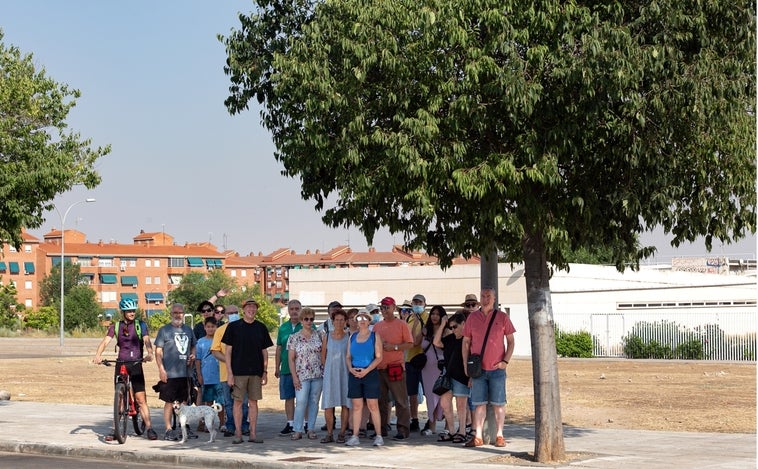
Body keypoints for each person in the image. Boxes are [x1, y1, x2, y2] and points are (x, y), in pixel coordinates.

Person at [93, 298, 158, 441]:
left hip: (136, 364)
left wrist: (150, 353)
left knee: (141, 399)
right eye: (129, 311)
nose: (132, 313)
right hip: (121, 363)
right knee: (119, 398)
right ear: (123, 312)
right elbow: (105, 342)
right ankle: (115, 429)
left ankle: (149, 428)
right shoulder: (115, 326)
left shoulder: (141, 325)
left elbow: (147, 340)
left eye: (133, 310)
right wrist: (98, 355)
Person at [462, 287, 516, 448]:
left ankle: (499, 435)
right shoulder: (472, 318)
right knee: (479, 403)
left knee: (499, 403)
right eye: (483, 296)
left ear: (494, 298)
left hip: (497, 369)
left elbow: (511, 341)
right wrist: (466, 365)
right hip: (478, 369)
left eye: (488, 296)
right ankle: (478, 435)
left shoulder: (502, 317)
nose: (485, 299)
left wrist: (505, 362)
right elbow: (465, 342)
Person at [222, 298, 273, 444]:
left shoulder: (261, 327)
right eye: (248, 307)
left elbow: (265, 351)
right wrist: (230, 373)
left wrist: (265, 371)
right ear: (243, 309)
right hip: (238, 372)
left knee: (253, 402)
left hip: (256, 372)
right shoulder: (233, 327)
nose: (251, 309)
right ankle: (238, 433)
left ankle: (253, 433)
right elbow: (228, 352)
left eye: (254, 307)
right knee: (237, 402)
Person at [372, 296, 413, 441]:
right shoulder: (377, 326)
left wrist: (394, 347)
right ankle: (381, 429)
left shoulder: (401, 324)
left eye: (386, 307)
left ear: (394, 308)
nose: (384, 310)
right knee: (380, 401)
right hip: (379, 368)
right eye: (382, 307)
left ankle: (403, 429)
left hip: (395, 367)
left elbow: (409, 344)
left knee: (400, 400)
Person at [154, 303, 197, 441]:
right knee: (169, 402)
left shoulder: (188, 330)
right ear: (171, 314)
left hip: (185, 373)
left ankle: (184, 428)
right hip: (170, 373)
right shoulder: (164, 330)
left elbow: (193, 346)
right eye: (175, 313)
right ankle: (168, 429)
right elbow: (158, 351)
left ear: (184, 314)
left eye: (180, 312)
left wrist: (192, 355)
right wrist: (161, 369)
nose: (178, 315)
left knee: (184, 402)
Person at [345, 309, 384, 447]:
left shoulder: (375, 336)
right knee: (356, 406)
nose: (362, 320)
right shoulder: (352, 337)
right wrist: (350, 368)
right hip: (355, 374)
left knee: (373, 405)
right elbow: (348, 356)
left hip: (370, 373)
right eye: (359, 318)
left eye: (364, 318)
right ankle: (355, 435)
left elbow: (379, 357)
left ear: (369, 321)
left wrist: (366, 370)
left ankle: (378, 435)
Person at [210, 305, 249, 436]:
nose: (233, 314)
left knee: (243, 401)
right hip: (225, 373)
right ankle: (230, 425)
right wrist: (229, 360)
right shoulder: (220, 330)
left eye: (236, 312)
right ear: (225, 315)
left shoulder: (246, 328)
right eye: (230, 313)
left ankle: (244, 425)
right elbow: (215, 351)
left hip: (243, 372)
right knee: (228, 402)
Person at [287, 307, 324, 440]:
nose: (309, 321)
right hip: (302, 374)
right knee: (301, 401)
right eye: (306, 319)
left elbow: (324, 352)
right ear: (301, 320)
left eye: (311, 319)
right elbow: (291, 359)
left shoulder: (320, 335)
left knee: (314, 401)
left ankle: (311, 428)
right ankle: (297, 429)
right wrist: (294, 377)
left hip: (318, 374)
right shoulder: (294, 338)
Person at [433, 311, 469, 444]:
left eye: (455, 327)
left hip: (462, 377)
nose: (453, 330)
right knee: (445, 404)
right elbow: (436, 342)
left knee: (461, 406)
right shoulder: (449, 339)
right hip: (448, 377)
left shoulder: (468, 339)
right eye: (451, 327)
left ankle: (463, 432)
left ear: (463, 324)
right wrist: (443, 325)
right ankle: (452, 431)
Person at [320, 309, 351, 443]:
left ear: (345, 322)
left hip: (345, 373)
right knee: (328, 404)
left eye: (341, 320)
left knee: (345, 403)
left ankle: (342, 433)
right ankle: (329, 433)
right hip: (330, 373)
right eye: (336, 320)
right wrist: (328, 369)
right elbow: (323, 357)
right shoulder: (327, 336)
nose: (339, 322)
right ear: (332, 321)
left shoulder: (349, 337)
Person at [275, 299, 303, 436]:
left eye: (297, 309)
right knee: (289, 397)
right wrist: (276, 367)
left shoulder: (306, 325)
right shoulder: (283, 328)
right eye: (292, 309)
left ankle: (305, 423)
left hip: (303, 369)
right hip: (286, 368)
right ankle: (290, 423)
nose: (294, 311)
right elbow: (279, 348)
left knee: (303, 398)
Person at [419, 304, 446, 436]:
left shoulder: (446, 330)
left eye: (438, 314)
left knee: (443, 396)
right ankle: (432, 425)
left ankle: (447, 425)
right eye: (433, 314)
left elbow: (439, 343)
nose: (435, 316)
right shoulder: (426, 329)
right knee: (430, 396)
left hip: (440, 367)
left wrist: (442, 325)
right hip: (427, 368)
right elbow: (417, 342)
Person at [404, 293, 428, 433]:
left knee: (428, 391)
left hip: (424, 359)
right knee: (412, 392)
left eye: (420, 303)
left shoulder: (428, 317)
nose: (417, 305)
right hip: (410, 359)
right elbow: (409, 340)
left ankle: (431, 419)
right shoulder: (410, 318)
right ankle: (414, 419)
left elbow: (416, 341)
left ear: (424, 304)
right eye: (415, 303)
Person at [195, 316, 222, 432]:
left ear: (217, 327)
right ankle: (208, 424)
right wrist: (199, 375)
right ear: (205, 328)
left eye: (213, 327)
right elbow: (198, 360)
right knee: (208, 402)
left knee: (221, 402)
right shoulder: (200, 342)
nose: (211, 329)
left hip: (220, 376)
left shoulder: (220, 340)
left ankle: (223, 423)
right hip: (207, 376)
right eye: (208, 327)